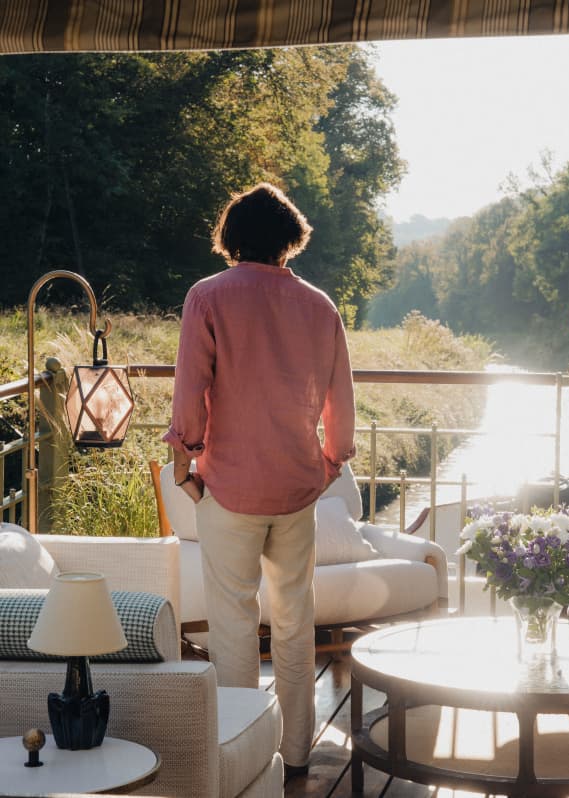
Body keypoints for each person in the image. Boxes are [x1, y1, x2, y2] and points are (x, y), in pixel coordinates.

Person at [163, 182, 356, 776]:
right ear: (290, 240)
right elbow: (341, 405)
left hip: (228, 489)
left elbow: (191, 388)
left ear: (232, 237)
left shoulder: (207, 296)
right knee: (296, 625)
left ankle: (240, 758)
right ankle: (297, 755)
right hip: (296, 490)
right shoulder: (320, 306)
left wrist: (185, 465)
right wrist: (327, 465)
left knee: (233, 628)